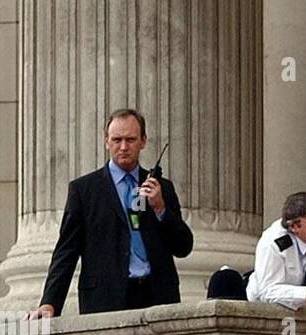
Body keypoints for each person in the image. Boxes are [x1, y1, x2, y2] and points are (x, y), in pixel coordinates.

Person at [33, 109, 194, 318]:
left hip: (157, 296)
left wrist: (160, 209)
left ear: (143, 141)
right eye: (117, 140)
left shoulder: (161, 188)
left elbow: (183, 247)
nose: (124, 147)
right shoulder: (84, 191)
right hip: (106, 299)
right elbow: (67, 250)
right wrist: (49, 303)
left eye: (131, 139)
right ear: (106, 141)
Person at [210, 193, 306, 320]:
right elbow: (267, 291)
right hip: (257, 306)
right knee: (225, 279)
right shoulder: (272, 241)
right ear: (294, 227)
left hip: (304, 316)